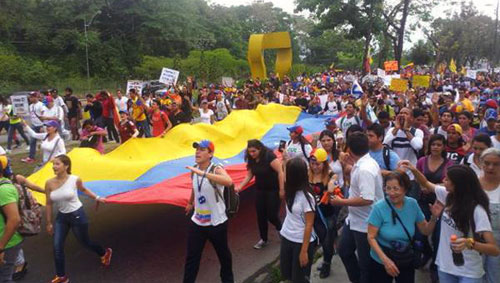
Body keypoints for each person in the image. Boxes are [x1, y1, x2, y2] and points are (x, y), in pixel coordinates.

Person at [403, 162, 500, 283]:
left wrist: (469, 243)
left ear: (458, 184)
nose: (444, 181)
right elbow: (426, 184)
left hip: (469, 272)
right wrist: (414, 170)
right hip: (445, 267)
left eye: (448, 179)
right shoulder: (447, 195)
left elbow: (494, 249)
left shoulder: (477, 210)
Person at [45, 155, 112, 283]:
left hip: (77, 215)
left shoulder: (75, 179)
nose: (54, 167)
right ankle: (61, 276)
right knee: (57, 246)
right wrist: (48, 223)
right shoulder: (49, 183)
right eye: (53, 164)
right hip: (61, 217)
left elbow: (84, 189)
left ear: (66, 166)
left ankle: (104, 252)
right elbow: (48, 203)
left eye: (57, 164)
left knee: (85, 242)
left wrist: (97, 198)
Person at [367, 171, 443, 283]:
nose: (392, 193)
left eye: (396, 188)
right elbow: (371, 237)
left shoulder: (412, 204)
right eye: (388, 188)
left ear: (405, 189)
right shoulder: (379, 207)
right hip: (381, 258)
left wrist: (433, 217)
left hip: (405, 257)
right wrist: (386, 261)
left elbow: (425, 230)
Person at [330, 132, 384, 283]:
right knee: (344, 250)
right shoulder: (360, 164)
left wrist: (342, 202)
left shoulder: (365, 168)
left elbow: (367, 198)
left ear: (349, 149)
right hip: (354, 219)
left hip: (366, 223)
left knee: (366, 263)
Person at [183, 140, 234, 283]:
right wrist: (190, 202)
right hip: (197, 222)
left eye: (202, 149)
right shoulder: (194, 170)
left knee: (224, 256)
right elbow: (195, 187)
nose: (197, 152)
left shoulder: (216, 168)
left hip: (216, 223)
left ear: (210, 154)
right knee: (192, 258)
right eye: (196, 149)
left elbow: (228, 181)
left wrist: (203, 173)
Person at [236, 139, 284, 249]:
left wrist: (282, 189)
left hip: (273, 190)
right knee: (261, 215)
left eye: (254, 151)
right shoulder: (252, 160)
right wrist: (240, 187)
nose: (252, 154)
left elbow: (280, 172)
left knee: (272, 215)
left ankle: (280, 229)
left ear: (260, 149)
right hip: (260, 190)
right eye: (250, 152)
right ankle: (264, 238)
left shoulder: (269, 157)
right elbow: (249, 175)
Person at [279, 157, 316, 283]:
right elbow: (282, 173)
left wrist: (304, 251)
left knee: (299, 279)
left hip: (301, 242)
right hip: (287, 237)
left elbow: (309, 225)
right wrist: (284, 159)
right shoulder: (290, 189)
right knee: (287, 274)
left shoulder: (307, 196)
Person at [308, 148, 338, 278]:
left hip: (327, 216)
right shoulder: (306, 174)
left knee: (327, 243)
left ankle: (327, 263)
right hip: (311, 216)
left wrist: (332, 184)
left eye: (318, 164)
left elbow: (334, 180)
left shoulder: (331, 175)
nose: (314, 167)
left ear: (324, 164)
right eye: (312, 163)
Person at [478, 148, 500, 283]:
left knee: (494, 276)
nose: (491, 167)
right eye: (487, 163)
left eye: (496, 164)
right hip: (476, 239)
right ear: (481, 164)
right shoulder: (473, 184)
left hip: (498, 241)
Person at [0, 155, 23, 282]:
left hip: (7, 243)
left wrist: (1, 247)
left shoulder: (3, 190)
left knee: (4, 279)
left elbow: (14, 220)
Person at [23, 92, 45, 164]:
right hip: (34, 125)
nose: (30, 98)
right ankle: (31, 157)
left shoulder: (41, 105)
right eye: (30, 97)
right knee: (32, 141)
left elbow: (44, 115)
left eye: (32, 97)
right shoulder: (31, 106)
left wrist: (43, 125)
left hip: (41, 125)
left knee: (44, 142)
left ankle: (47, 156)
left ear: (36, 97)